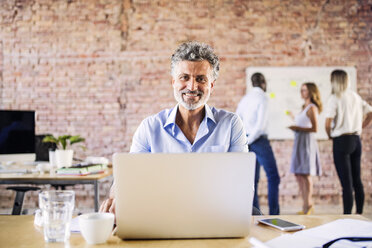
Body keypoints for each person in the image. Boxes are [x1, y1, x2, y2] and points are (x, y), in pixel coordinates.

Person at [100, 41, 248, 213]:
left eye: (201, 79)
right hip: (162, 214)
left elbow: (241, 183)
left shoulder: (231, 125)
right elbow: (127, 179)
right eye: (184, 77)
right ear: (173, 82)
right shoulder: (150, 128)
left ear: (211, 86)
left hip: (216, 214)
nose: (192, 87)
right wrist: (116, 198)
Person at [324, 69, 372, 214]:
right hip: (356, 140)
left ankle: (346, 216)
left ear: (334, 81)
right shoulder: (355, 96)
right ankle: (359, 214)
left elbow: (327, 123)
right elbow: (370, 112)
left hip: (341, 141)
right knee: (357, 180)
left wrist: (329, 134)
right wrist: (360, 126)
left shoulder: (335, 98)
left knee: (347, 184)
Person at [236, 73, 280, 215]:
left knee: (252, 180)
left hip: (247, 140)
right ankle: (274, 214)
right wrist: (251, 140)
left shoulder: (245, 99)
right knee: (273, 177)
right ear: (263, 82)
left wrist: (245, 141)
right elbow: (260, 127)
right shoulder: (262, 97)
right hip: (259, 140)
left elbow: (238, 119)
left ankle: (256, 214)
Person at [288, 82, 322, 215]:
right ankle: (305, 205)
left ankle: (309, 205)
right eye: (301, 90)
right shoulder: (304, 107)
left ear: (311, 92)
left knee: (306, 174)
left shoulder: (312, 108)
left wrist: (297, 128)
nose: (302, 92)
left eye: (305, 90)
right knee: (298, 173)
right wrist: (293, 118)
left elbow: (315, 128)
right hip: (299, 141)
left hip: (307, 142)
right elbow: (302, 122)